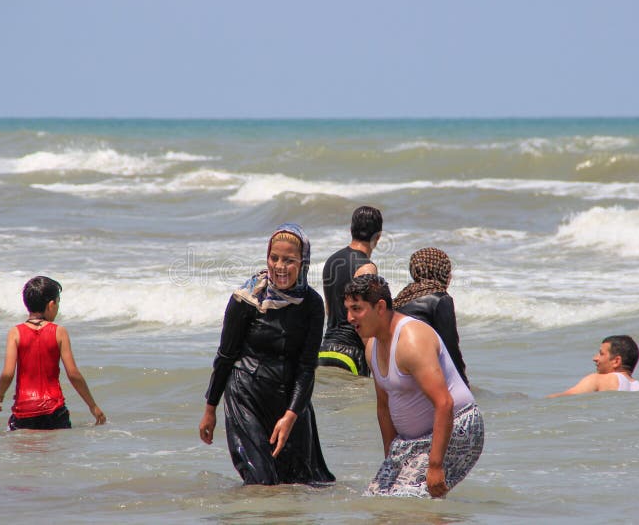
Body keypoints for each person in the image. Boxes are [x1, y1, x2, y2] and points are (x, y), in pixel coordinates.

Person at [198, 223, 335, 486]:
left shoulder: (313, 304)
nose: (279, 266)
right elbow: (226, 356)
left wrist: (292, 415)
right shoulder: (247, 299)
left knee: (303, 484)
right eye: (274, 258)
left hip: (290, 401)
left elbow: (307, 367)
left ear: (303, 263)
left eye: (289, 260)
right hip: (246, 394)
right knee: (261, 481)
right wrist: (210, 409)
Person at [344, 275, 483, 498]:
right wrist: (392, 460)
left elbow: (444, 402)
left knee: (406, 500)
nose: (349, 317)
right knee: (375, 498)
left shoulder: (411, 340)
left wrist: (435, 466)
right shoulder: (372, 347)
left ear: (380, 307)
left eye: (356, 309)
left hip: (459, 426)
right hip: (411, 441)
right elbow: (384, 408)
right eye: (347, 309)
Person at [0, 276, 106, 430]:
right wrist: (93, 406)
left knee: (25, 452)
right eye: (58, 302)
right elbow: (73, 374)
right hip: (55, 411)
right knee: (55, 451)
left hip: (24, 412)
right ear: (51, 304)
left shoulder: (15, 333)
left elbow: (7, 373)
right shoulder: (59, 332)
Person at [317, 205, 382, 376]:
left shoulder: (331, 261)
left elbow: (329, 309)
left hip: (324, 351)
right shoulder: (367, 268)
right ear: (378, 236)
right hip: (351, 354)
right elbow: (363, 319)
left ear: (351, 229)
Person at [394, 247, 469, 388]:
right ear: (441, 272)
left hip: (399, 372)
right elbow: (450, 347)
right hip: (423, 374)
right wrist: (464, 385)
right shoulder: (440, 298)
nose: (450, 275)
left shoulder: (402, 297)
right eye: (448, 270)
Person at [547, 335, 639, 397]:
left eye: (601, 354)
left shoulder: (599, 379)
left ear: (616, 361)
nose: (595, 358)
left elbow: (564, 399)